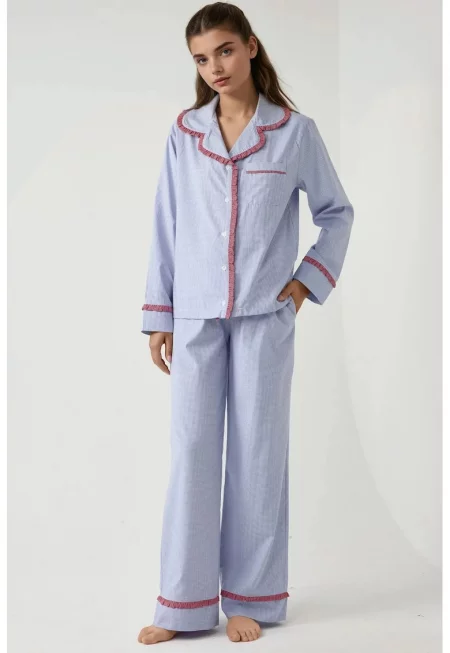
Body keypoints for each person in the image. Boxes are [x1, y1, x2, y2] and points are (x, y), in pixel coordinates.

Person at [138, 2, 354, 646]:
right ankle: (182, 605)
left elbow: (337, 213)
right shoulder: (185, 132)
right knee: (192, 455)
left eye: (225, 51)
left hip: (265, 317)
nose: (215, 67)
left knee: (258, 457)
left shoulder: (294, 132)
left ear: (251, 47)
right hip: (195, 317)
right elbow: (167, 223)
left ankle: (249, 600)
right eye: (202, 58)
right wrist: (159, 314)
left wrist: (306, 282)